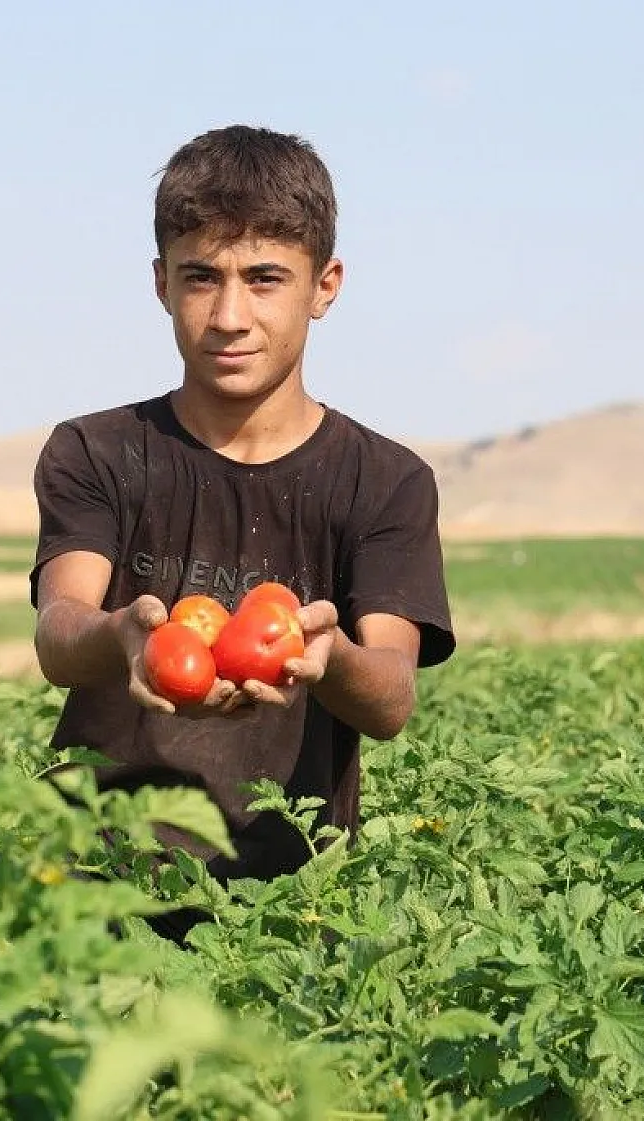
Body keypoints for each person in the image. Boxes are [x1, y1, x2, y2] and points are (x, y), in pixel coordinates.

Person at [28, 124, 455, 943]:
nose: (229, 314)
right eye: (201, 278)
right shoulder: (96, 451)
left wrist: (329, 660)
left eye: (265, 279)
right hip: (93, 890)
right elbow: (59, 630)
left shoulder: (386, 481)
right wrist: (122, 636)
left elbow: (393, 696)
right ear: (161, 284)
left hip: (290, 911)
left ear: (324, 285)